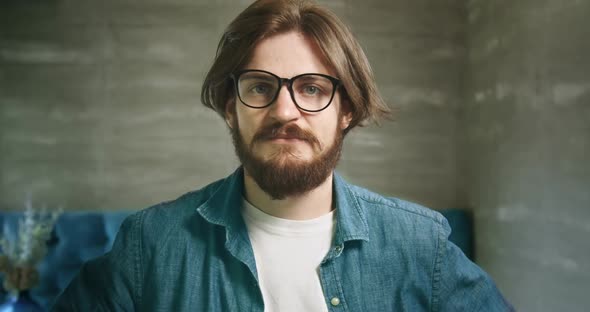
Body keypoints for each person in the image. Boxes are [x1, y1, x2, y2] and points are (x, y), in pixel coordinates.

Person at [52, 0, 513, 311]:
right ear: (231, 108)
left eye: (312, 88)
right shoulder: (149, 246)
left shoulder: (420, 247)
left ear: (346, 110)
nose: (284, 110)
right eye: (260, 87)